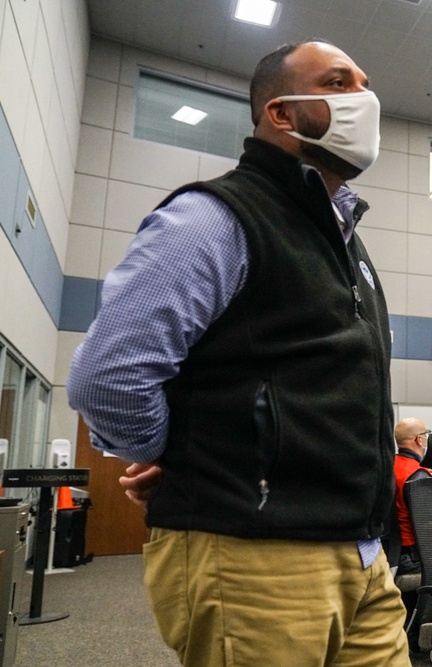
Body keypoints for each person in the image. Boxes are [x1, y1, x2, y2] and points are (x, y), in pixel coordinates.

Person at [66, 40, 409, 667]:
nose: (365, 98)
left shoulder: (345, 242)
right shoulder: (214, 218)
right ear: (281, 113)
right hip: (255, 559)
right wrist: (179, 455)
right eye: (338, 82)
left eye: (365, 83)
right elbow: (109, 376)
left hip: (363, 557)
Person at [393, 418, 432, 575]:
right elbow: (430, 520)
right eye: (426, 434)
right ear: (419, 439)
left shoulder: (390, 465)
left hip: (391, 554)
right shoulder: (418, 474)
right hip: (411, 559)